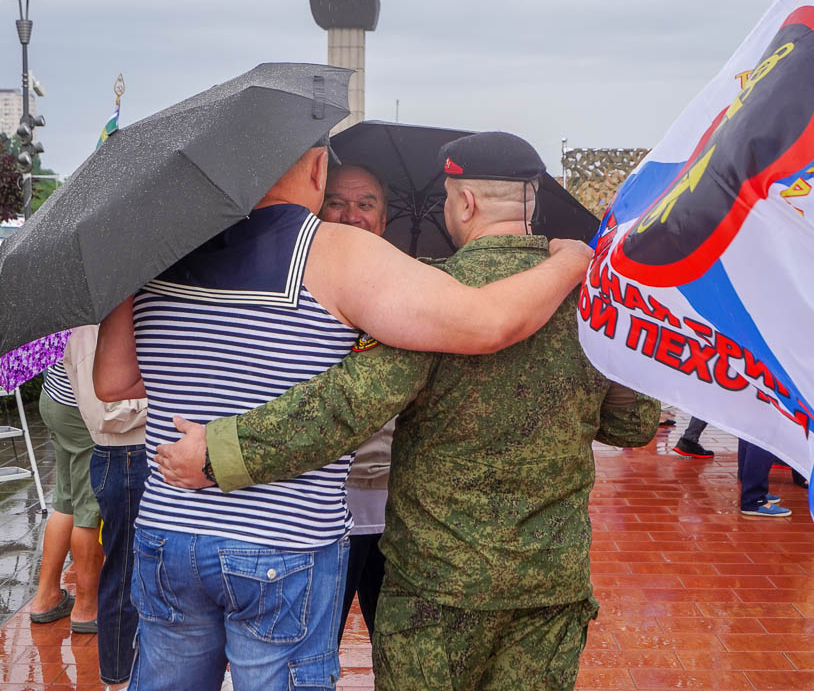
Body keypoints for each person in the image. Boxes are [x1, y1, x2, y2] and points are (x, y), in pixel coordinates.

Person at [157, 132, 658, 691]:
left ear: (464, 203)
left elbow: (347, 405)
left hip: (438, 585)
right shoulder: (594, 300)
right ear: (532, 202)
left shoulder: (435, 294)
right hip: (550, 583)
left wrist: (222, 451)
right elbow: (634, 425)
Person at [320, 163, 394, 644]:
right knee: (311, 650)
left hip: (397, 507)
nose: (351, 215)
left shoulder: (409, 288)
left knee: (397, 648)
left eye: (365, 204)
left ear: (384, 219)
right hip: (319, 509)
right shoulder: (297, 292)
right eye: (336, 202)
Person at [65, 325, 148, 688]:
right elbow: (104, 415)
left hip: (135, 455)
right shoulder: (89, 334)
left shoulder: (119, 323)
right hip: (125, 456)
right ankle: (117, 677)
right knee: (123, 569)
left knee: (145, 568)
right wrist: (161, 398)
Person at [27, 344, 102, 632]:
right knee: (89, 510)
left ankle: (46, 597)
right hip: (81, 408)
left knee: (66, 502)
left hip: (54, 397)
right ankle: (86, 608)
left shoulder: (58, 300)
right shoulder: (93, 304)